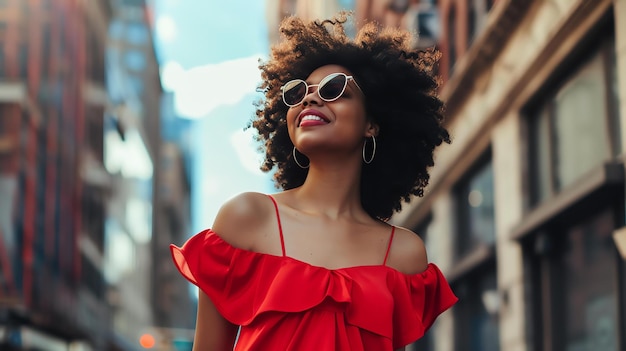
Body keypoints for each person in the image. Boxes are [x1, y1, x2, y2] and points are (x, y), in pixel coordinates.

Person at [171, 12, 458, 351]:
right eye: (297, 93)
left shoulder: (405, 255)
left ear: (372, 124)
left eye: (334, 89)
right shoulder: (245, 218)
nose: (309, 98)